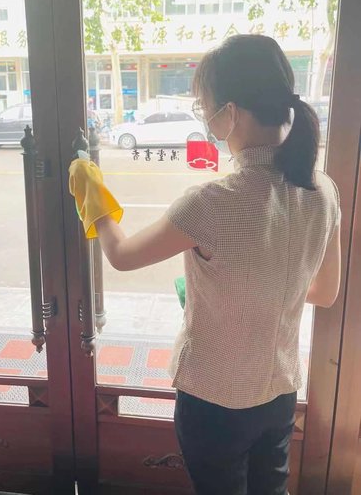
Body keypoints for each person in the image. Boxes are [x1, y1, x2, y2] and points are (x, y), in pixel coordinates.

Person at [69, 34, 341, 495]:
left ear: (229, 113)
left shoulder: (212, 202)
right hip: (279, 394)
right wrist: (235, 287)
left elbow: (121, 255)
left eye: (204, 105)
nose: (204, 114)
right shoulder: (324, 190)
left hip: (214, 401)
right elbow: (324, 292)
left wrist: (92, 194)